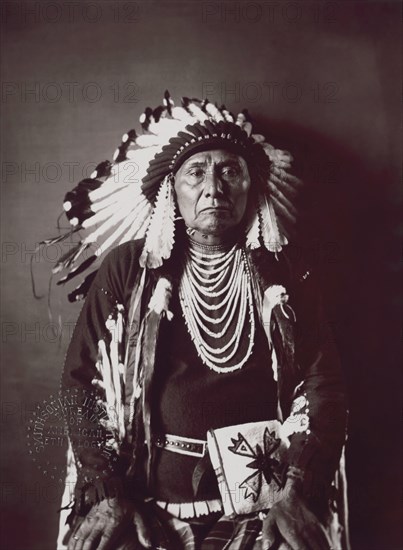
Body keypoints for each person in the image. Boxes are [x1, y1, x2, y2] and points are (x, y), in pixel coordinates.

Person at [54, 94, 349, 550]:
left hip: (263, 502)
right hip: (145, 498)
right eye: (196, 172)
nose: (214, 187)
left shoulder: (282, 270)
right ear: (173, 190)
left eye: (230, 171)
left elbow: (322, 382)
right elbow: (80, 384)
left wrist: (296, 488)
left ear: (252, 188)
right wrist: (105, 486)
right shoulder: (130, 269)